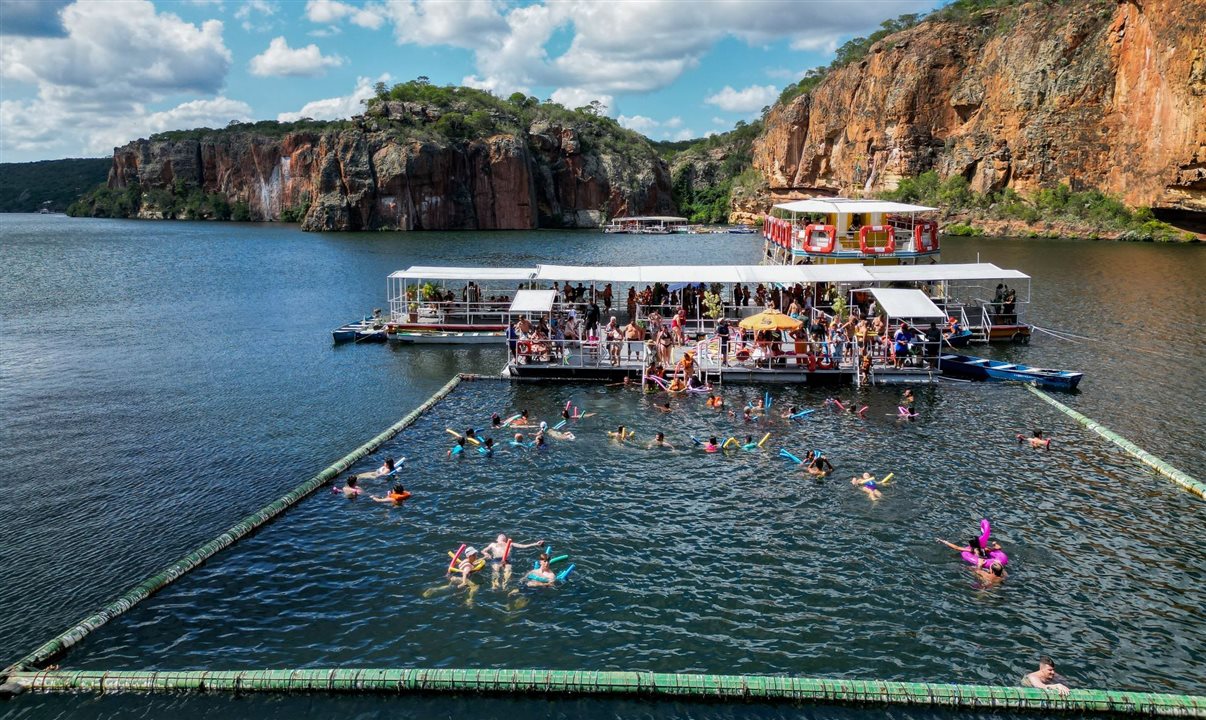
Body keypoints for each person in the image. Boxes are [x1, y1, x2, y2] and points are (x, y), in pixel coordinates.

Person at [481, 534, 545, 563]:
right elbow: (483, 551)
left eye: (503, 536)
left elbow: (523, 546)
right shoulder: (493, 544)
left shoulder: (510, 544)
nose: (502, 536)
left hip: (506, 560)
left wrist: (536, 544)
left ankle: (504, 587)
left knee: (507, 573)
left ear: (505, 539)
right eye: (500, 536)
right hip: (496, 559)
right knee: (495, 574)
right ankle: (494, 587)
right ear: (497, 539)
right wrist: (486, 554)